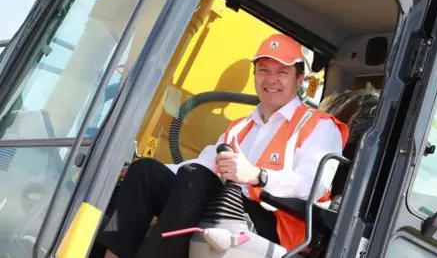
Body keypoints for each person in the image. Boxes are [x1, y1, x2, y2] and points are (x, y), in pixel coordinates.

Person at [96, 34, 349, 258]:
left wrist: (258, 176)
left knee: (198, 180)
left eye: (282, 72)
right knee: (146, 173)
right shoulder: (240, 126)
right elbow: (201, 164)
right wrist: (152, 168)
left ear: (299, 78)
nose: (271, 79)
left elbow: (313, 187)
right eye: (263, 71)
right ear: (254, 76)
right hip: (227, 204)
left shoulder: (319, 126)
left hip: (277, 224)